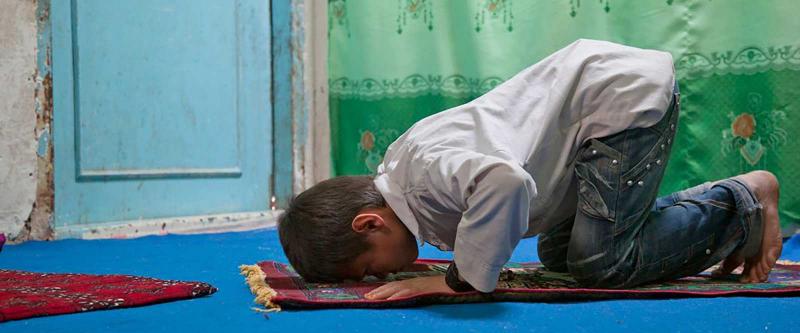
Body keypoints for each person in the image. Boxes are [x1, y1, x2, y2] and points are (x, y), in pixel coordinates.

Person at [278, 39, 783, 300]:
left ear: (370, 222)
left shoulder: (426, 174)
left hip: (615, 104)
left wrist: (461, 281)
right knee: (558, 252)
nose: (384, 275)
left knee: (601, 263)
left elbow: (505, 181)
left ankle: (743, 201)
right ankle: (725, 205)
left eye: (370, 267)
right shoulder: (405, 174)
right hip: (592, 115)